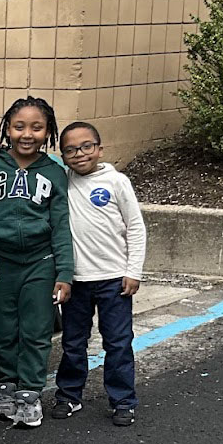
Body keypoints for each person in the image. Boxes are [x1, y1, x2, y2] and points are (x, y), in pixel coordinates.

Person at [0, 96, 74, 428]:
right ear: (8, 129)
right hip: (1, 262)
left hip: (40, 262)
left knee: (35, 329)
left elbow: (61, 225)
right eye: (19, 126)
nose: (27, 134)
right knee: (3, 327)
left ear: (48, 132)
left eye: (37, 127)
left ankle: (29, 393)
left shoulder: (54, 173)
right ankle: (7, 385)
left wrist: (64, 272)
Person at [51, 121, 146, 426]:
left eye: (86, 146)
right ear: (62, 156)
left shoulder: (117, 182)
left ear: (100, 149)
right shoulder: (62, 182)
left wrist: (133, 271)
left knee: (117, 342)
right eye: (70, 150)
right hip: (76, 281)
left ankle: (123, 400)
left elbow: (135, 227)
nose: (79, 154)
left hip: (114, 280)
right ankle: (68, 395)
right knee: (73, 341)